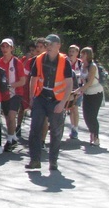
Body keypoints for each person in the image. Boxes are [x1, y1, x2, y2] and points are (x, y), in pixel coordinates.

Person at [25, 34, 73, 171]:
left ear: (59, 45)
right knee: (35, 129)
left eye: (51, 44)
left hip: (56, 100)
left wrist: (63, 103)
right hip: (40, 97)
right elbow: (33, 78)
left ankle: (53, 161)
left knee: (56, 132)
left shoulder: (65, 61)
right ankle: (35, 160)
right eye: (47, 44)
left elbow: (69, 84)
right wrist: (32, 97)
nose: (49, 47)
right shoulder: (39, 59)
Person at [0, 39, 26, 152]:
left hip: (16, 93)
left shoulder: (17, 62)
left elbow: (22, 81)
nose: (4, 49)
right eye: (2, 46)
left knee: (12, 116)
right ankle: (12, 138)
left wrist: (10, 85)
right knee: (8, 118)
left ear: (12, 48)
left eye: (7, 46)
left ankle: (9, 140)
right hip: (3, 95)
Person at [77, 47, 104, 146]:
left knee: (92, 116)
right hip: (87, 94)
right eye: (81, 54)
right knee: (86, 116)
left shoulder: (92, 66)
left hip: (96, 94)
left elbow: (89, 82)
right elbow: (81, 80)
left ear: (88, 55)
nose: (81, 56)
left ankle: (95, 137)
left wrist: (79, 91)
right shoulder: (82, 65)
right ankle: (92, 133)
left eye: (83, 54)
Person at [16, 40, 37, 138]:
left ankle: (35, 130)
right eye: (30, 50)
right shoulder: (26, 59)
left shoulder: (40, 60)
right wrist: (26, 60)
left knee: (35, 110)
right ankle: (18, 127)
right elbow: (19, 70)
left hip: (34, 87)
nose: (32, 52)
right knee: (21, 108)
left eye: (34, 50)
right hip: (24, 87)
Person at [66, 44, 82, 140]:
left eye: (73, 51)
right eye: (70, 51)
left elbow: (84, 76)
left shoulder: (80, 64)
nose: (71, 53)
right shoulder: (65, 61)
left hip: (77, 90)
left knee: (74, 108)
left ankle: (74, 129)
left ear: (77, 53)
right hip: (66, 90)